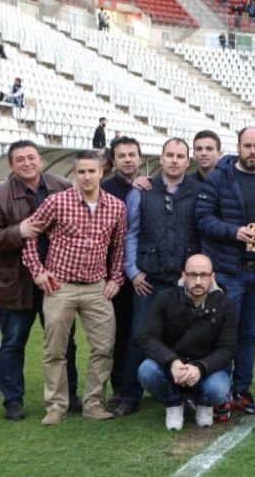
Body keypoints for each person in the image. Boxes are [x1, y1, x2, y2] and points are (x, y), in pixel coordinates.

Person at [22, 150, 127, 425]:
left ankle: (93, 402)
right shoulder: (57, 202)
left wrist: (116, 278)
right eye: (81, 172)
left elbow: (119, 246)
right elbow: (30, 235)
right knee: (55, 349)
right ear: (74, 174)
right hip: (60, 286)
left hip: (96, 287)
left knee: (104, 347)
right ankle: (56, 406)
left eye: (92, 171)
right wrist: (38, 271)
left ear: (101, 171)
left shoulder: (116, 206)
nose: (87, 176)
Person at [0, 141, 79, 420]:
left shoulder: (62, 186)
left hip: (57, 282)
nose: (26, 163)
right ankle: (13, 401)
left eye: (31, 157)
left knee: (65, 343)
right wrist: (17, 231)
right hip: (16, 284)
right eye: (19, 159)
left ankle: (69, 396)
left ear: (41, 161)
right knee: (12, 344)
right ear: (11, 165)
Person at [196, 127, 255, 421]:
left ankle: (241, 390)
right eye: (248, 145)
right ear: (238, 146)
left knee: (251, 335)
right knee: (226, 335)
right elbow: (202, 219)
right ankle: (221, 394)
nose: (252, 151)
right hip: (231, 271)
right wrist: (234, 232)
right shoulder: (221, 176)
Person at [114, 138, 199, 417]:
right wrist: (133, 271)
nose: (175, 160)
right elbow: (131, 234)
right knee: (139, 336)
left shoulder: (198, 192)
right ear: (160, 159)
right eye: (170, 155)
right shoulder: (141, 191)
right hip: (148, 280)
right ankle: (129, 394)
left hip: (183, 282)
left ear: (188, 161)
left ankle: (187, 393)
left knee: (188, 339)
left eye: (180, 156)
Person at [136, 254, 237, 431]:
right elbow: (147, 337)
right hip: (172, 366)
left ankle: (204, 403)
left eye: (204, 275)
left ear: (212, 277)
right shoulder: (164, 298)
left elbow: (228, 349)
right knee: (146, 371)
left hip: (207, 369)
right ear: (183, 276)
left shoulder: (225, 305)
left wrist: (200, 368)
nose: (198, 281)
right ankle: (173, 403)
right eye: (192, 275)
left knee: (219, 389)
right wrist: (172, 361)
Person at [101, 136, 148, 407]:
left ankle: (140, 383)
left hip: (143, 274)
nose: (128, 159)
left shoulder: (149, 186)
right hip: (115, 276)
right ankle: (120, 385)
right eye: (122, 155)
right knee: (117, 333)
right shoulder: (104, 189)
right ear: (114, 161)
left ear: (140, 158)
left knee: (142, 332)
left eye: (132, 154)